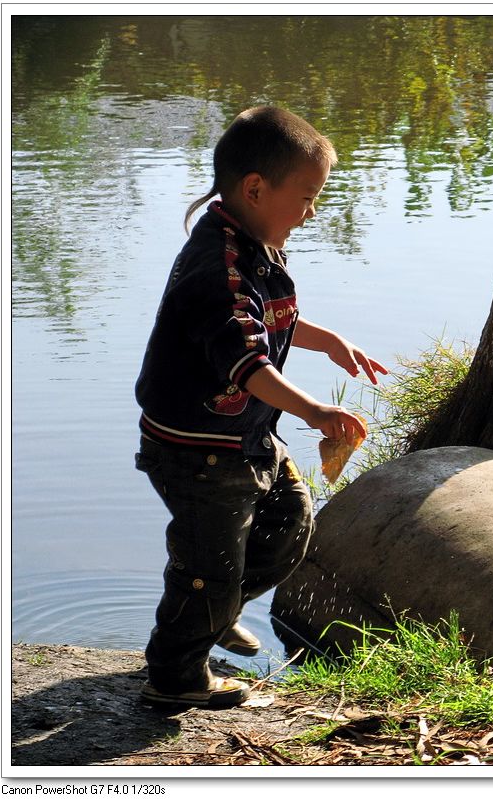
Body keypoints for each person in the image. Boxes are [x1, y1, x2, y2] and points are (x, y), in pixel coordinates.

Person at [134, 105, 388, 708]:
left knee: (289, 527)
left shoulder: (253, 243)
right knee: (209, 564)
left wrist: (327, 340)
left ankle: (207, 616)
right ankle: (174, 677)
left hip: (243, 438)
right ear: (254, 188)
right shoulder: (215, 266)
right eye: (306, 195)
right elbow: (245, 361)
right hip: (197, 450)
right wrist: (314, 412)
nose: (312, 210)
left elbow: (268, 321)